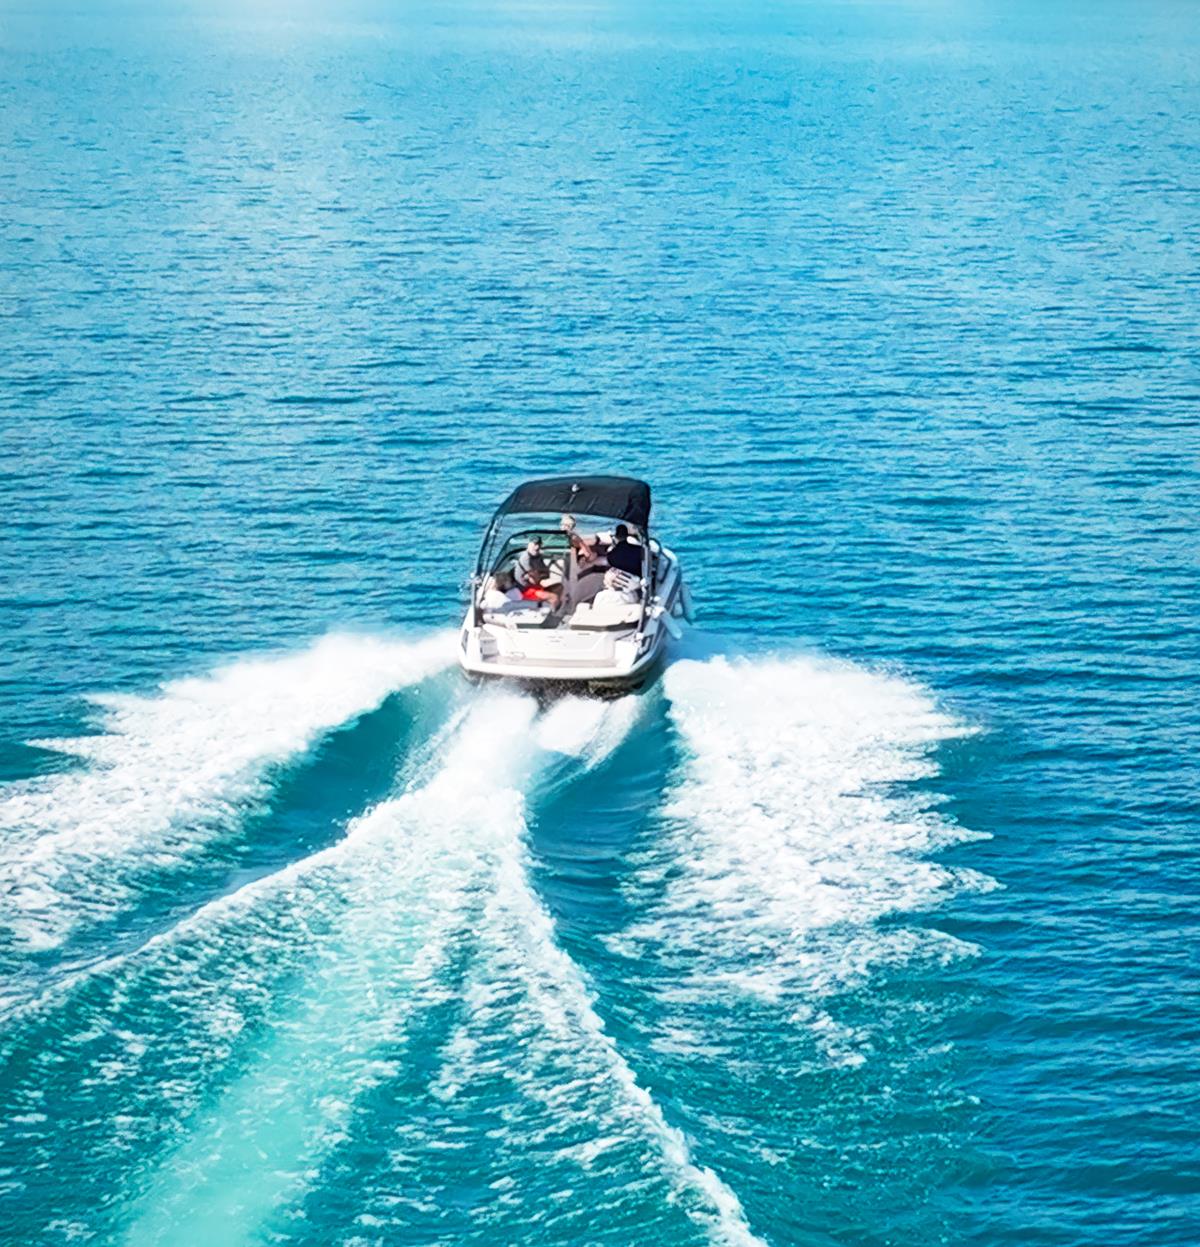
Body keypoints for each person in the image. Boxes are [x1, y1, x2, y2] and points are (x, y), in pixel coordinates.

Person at [513, 537, 559, 604]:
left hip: (537, 587)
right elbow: (534, 579)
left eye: (539, 545)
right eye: (535, 544)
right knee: (554, 597)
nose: (537, 547)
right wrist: (542, 576)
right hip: (526, 591)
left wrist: (542, 575)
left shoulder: (538, 556)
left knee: (560, 587)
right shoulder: (525, 558)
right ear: (529, 545)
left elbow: (546, 573)